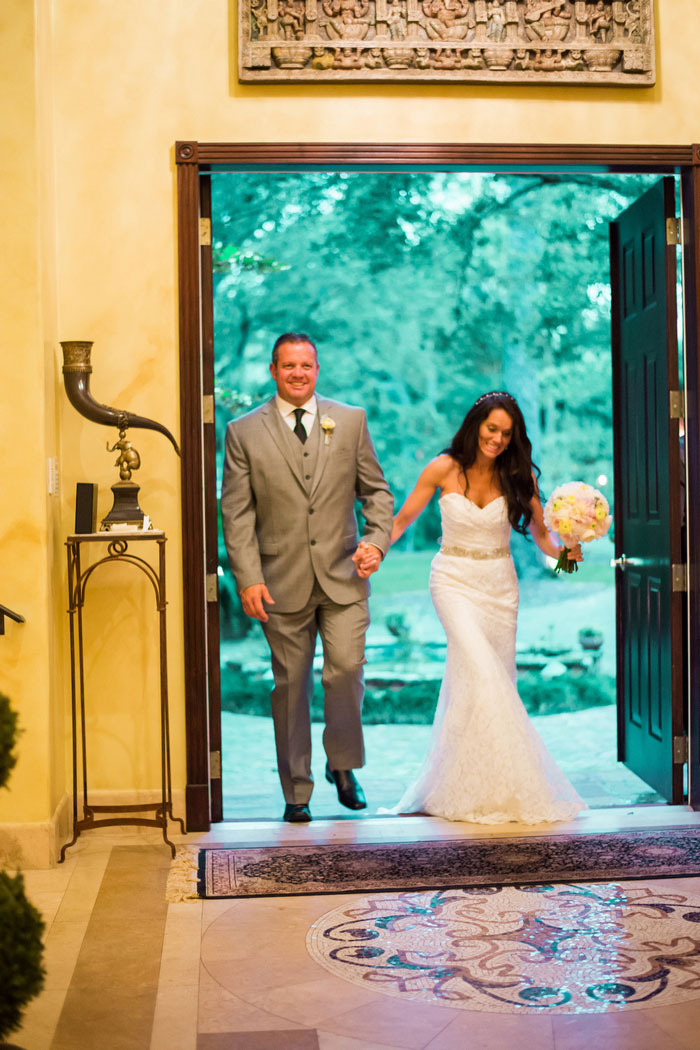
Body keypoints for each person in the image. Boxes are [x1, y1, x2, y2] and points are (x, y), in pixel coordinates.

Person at [388, 391, 587, 824]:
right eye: (491, 428)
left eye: (505, 433)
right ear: (475, 423)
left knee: (483, 682)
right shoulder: (443, 467)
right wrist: (374, 548)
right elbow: (402, 520)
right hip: (453, 580)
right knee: (481, 671)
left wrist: (569, 551)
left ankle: (481, 786)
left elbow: (544, 544)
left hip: (500, 587)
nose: (496, 439)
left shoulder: (518, 477)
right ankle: (495, 781)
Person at [220, 333, 394, 823]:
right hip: (278, 581)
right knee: (290, 686)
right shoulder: (243, 432)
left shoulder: (352, 420)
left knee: (345, 670)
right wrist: (249, 577)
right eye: (288, 365)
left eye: (306, 365)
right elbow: (236, 514)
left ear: (318, 370)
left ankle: (342, 764)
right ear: (273, 371)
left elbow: (377, 494)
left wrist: (376, 542)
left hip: (343, 577)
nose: (298, 373)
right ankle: (296, 790)